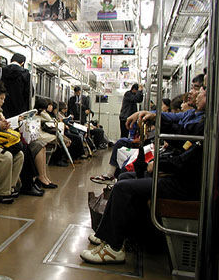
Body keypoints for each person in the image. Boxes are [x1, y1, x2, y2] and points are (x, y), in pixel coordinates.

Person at [81, 87, 206, 264]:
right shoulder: (193, 115)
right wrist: (149, 114)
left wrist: (158, 164)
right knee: (125, 178)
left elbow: (187, 159)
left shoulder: (203, 124)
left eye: (203, 90)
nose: (197, 93)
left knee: (124, 188)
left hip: (183, 183)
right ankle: (110, 235)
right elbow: (177, 122)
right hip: (176, 175)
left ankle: (114, 248)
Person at [0, 81, 44, 196]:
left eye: (4, 99)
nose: (3, 102)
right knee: (23, 149)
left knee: (25, 148)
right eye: (0, 99)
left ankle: (24, 183)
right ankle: (28, 183)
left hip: (4, 138)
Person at [1, 53, 32, 118]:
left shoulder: (2, 71)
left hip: (5, 106)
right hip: (20, 108)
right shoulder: (25, 73)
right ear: (22, 63)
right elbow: (29, 92)